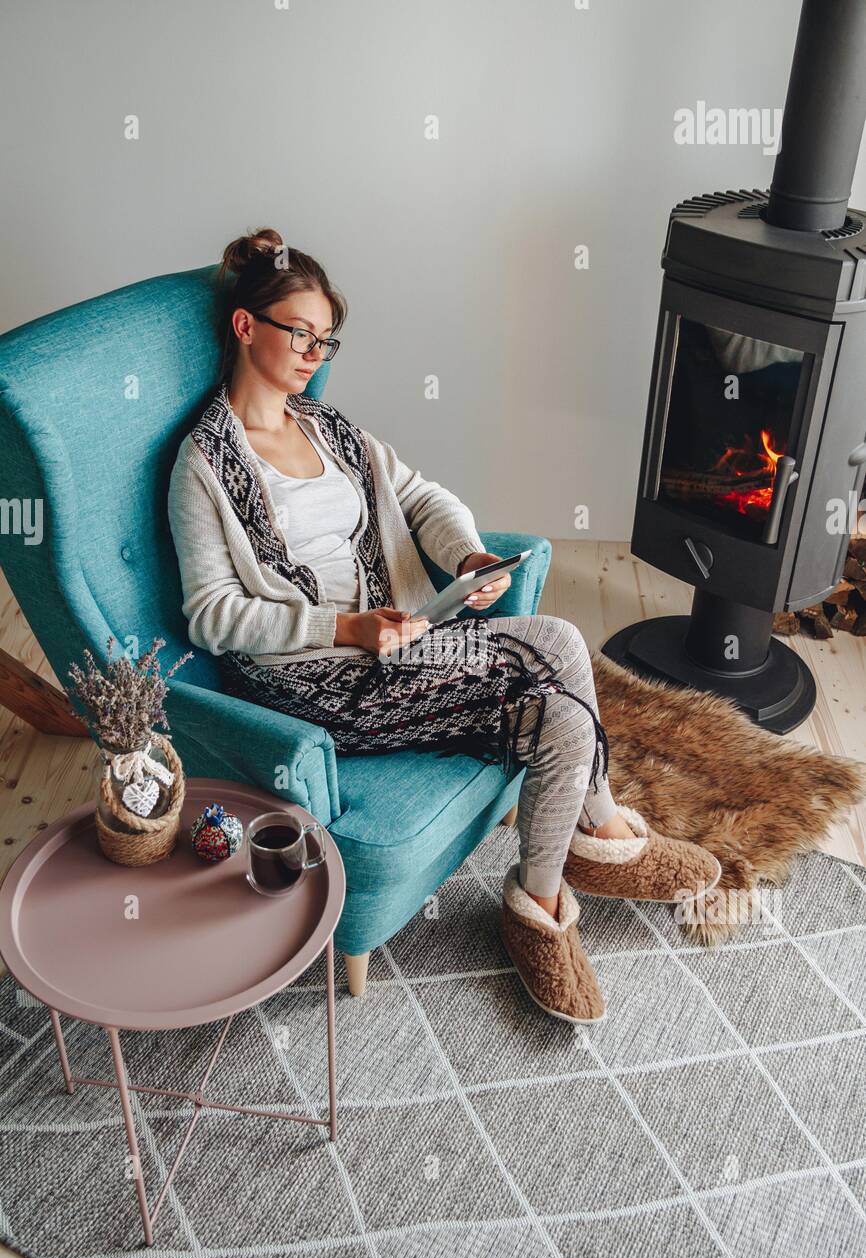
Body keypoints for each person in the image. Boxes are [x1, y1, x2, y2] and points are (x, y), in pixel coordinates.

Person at [168, 229, 721, 1026]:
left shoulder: (329, 428)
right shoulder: (207, 464)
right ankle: (550, 896)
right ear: (246, 327)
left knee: (560, 641)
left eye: (325, 340)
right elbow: (213, 614)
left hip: (396, 643)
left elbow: (421, 496)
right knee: (557, 703)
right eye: (299, 333)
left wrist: (465, 557)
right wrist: (346, 627)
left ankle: (588, 845)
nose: (313, 353)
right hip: (309, 681)